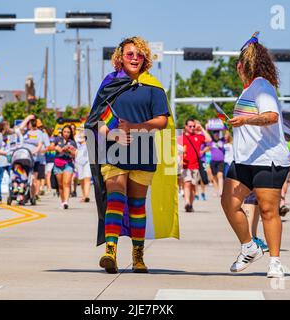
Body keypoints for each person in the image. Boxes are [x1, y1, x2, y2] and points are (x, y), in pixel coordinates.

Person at [85, 36, 179, 274]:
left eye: (139, 54)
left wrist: (137, 127)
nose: (135, 58)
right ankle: (110, 252)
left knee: (137, 205)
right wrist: (112, 134)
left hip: (143, 150)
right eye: (129, 54)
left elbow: (162, 120)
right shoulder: (109, 84)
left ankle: (138, 256)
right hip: (113, 150)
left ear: (145, 58)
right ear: (120, 57)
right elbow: (95, 120)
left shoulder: (153, 87)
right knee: (115, 198)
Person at [221, 32, 290, 278]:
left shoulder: (262, 85)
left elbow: (272, 117)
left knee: (269, 210)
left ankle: (275, 262)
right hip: (244, 160)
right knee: (228, 202)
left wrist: (245, 120)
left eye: (239, 65)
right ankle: (249, 247)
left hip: (267, 159)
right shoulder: (247, 91)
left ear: (243, 66)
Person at [182, 119, 211, 211]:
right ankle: (187, 202)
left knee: (193, 187)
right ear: (186, 127)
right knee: (187, 184)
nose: (192, 128)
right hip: (185, 165)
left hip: (196, 166)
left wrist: (201, 128)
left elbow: (209, 140)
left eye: (193, 126)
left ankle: (190, 205)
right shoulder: (181, 137)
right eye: (190, 126)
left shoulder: (198, 136)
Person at [51, 125, 77, 209]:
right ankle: (62, 202)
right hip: (58, 163)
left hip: (68, 164)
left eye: (68, 132)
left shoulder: (72, 142)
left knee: (66, 183)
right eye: (65, 132)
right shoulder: (57, 139)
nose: (66, 133)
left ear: (70, 133)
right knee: (60, 185)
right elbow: (49, 147)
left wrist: (69, 150)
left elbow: (75, 154)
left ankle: (66, 202)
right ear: (62, 132)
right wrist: (56, 147)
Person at [19, 115, 44, 201]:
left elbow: (40, 145)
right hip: (24, 157)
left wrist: (34, 151)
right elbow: (20, 128)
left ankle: (33, 196)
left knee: (33, 179)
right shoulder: (26, 132)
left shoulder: (39, 133)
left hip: (34, 158)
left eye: (29, 123)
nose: (28, 125)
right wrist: (28, 118)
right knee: (23, 177)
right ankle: (23, 195)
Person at [204, 130, 225, 196]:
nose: (216, 135)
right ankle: (216, 190)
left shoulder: (222, 140)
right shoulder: (211, 142)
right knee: (214, 177)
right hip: (213, 161)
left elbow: (226, 133)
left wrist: (224, 127)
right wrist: (206, 129)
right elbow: (206, 138)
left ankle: (221, 191)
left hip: (221, 161)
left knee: (220, 175)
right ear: (213, 135)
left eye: (217, 134)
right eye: (215, 134)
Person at [75, 127, 92, 202]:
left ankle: (86, 196)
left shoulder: (90, 137)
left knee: (87, 178)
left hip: (88, 160)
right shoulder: (76, 138)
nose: (81, 130)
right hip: (79, 160)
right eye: (80, 129)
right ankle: (83, 194)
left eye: (83, 129)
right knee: (81, 178)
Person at [44, 127, 56, 194]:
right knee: (47, 174)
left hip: (50, 158)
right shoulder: (52, 139)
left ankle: (49, 188)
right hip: (49, 158)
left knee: (47, 174)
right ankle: (49, 187)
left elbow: (49, 148)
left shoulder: (50, 139)